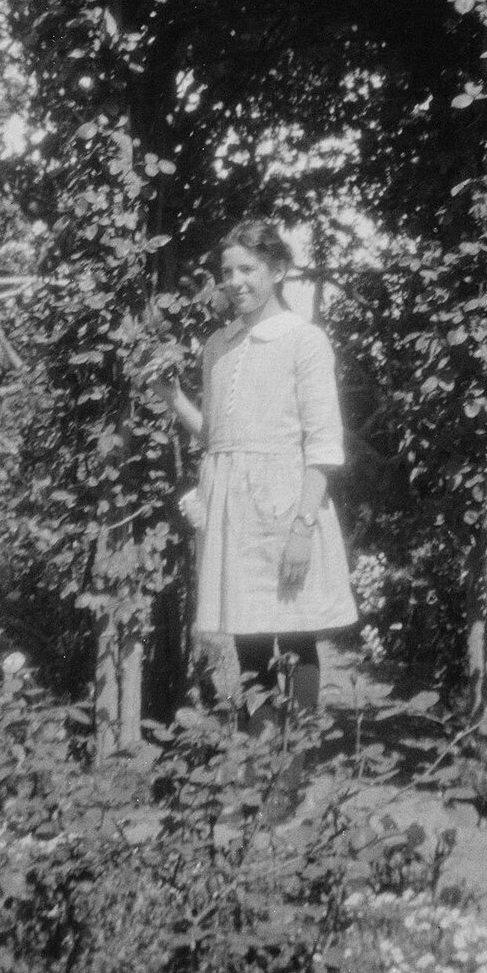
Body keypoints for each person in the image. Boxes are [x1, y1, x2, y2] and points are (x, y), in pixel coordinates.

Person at [158, 219, 358, 725]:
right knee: (248, 640)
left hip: (287, 507)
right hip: (235, 514)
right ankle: (258, 764)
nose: (235, 281)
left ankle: (295, 766)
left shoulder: (304, 340)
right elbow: (219, 437)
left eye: (248, 269)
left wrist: (302, 528)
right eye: (227, 272)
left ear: (276, 270)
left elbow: (323, 445)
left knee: (294, 635)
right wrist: (174, 398)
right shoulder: (217, 348)